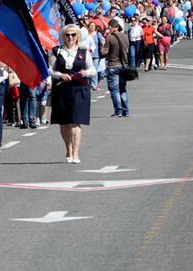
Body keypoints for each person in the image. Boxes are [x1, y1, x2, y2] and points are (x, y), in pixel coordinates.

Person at [48, 24, 95, 164]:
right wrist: (60, 75)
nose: (70, 38)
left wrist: (86, 73)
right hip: (61, 90)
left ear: (77, 36)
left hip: (79, 89)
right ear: (63, 36)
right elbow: (50, 69)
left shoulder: (84, 51)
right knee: (64, 123)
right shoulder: (57, 51)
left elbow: (92, 69)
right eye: (67, 35)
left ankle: (75, 153)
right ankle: (68, 149)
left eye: (73, 35)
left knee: (75, 122)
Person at [103, 19, 131, 118]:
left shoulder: (109, 38)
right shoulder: (124, 36)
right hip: (123, 65)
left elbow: (105, 51)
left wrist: (102, 48)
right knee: (122, 88)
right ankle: (125, 110)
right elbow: (127, 50)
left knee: (114, 90)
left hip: (113, 65)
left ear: (111, 26)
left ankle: (118, 110)